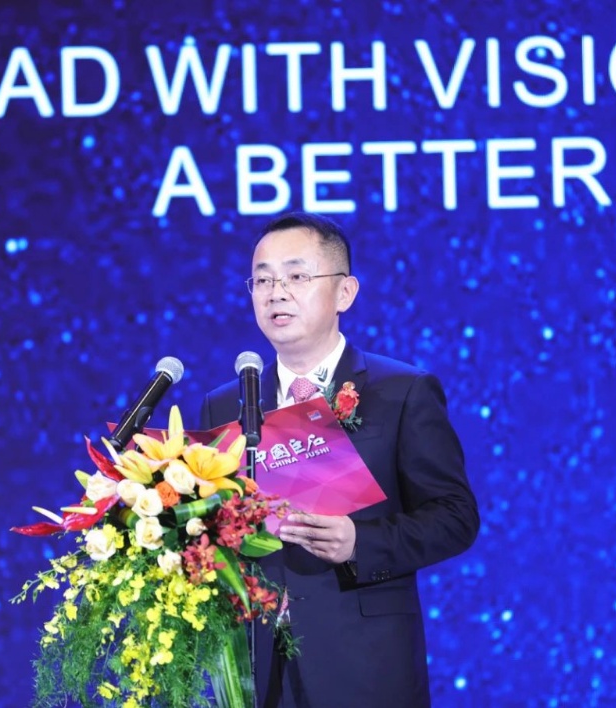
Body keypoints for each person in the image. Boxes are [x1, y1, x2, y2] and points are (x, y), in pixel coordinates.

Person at [199, 212, 479, 708]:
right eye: (262, 280)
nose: (276, 293)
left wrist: (359, 543)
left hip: (365, 665)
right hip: (254, 670)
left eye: (296, 276)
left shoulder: (402, 391)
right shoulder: (225, 405)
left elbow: (455, 517)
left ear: (345, 292)